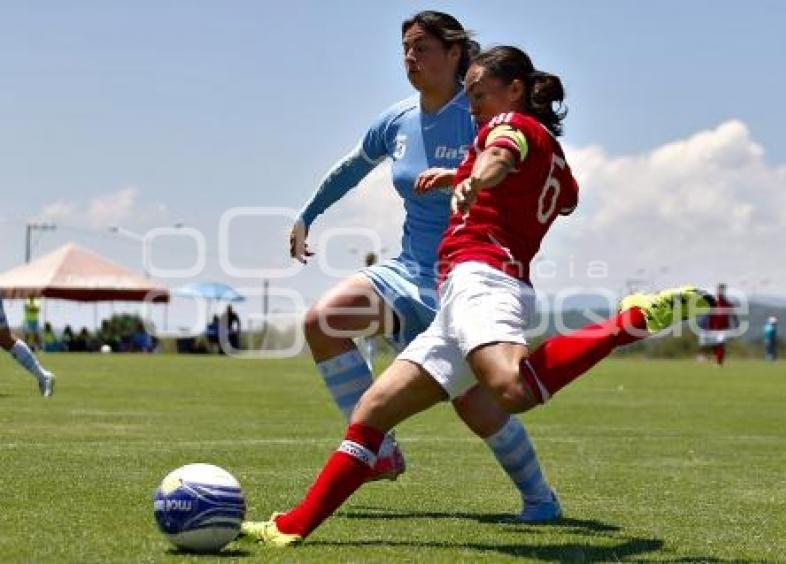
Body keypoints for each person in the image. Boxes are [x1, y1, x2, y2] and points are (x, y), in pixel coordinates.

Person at [241, 45, 712, 546]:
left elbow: (501, 153)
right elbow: (562, 199)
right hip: (464, 294)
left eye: (479, 94)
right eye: (468, 97)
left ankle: (626, 322)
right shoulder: (554, 156)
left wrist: (474, 180)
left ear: (514, 90)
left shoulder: (509, 126)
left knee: (510, 389)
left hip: (483, 280)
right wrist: (461, 176)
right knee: (372, 412)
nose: (472, 107)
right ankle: (289, 528)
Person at [288, 11, 560, 522]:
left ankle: (540, 498)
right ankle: (380, 450)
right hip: (407, 271)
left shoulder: (482, 111)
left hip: (466, 280)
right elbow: (352, 166)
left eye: (422, 48)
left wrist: (471, 177)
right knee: (322, 320)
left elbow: (522, 161)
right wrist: (308, 213)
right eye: (405, 49)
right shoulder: (397, 120)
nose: (410, 58)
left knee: (479, 409)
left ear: (456, 53)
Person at [0, 298, 54, 397]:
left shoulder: (35, 300)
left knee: (4, 339)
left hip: (33, 322)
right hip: (29, 322)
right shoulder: (28, 301)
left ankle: (43, 376)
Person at [699, 283, 737, 366]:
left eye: (722, 289)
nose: (720, 291)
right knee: (715, 345)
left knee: (720, 343)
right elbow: (707, 315)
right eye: (719, 289)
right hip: (712, 328)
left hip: (723, 328)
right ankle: (717, 360)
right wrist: (705, 326)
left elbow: (733, 314)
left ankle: (719, 362)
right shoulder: (713, 303)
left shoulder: (727, 304)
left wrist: (736, 323)